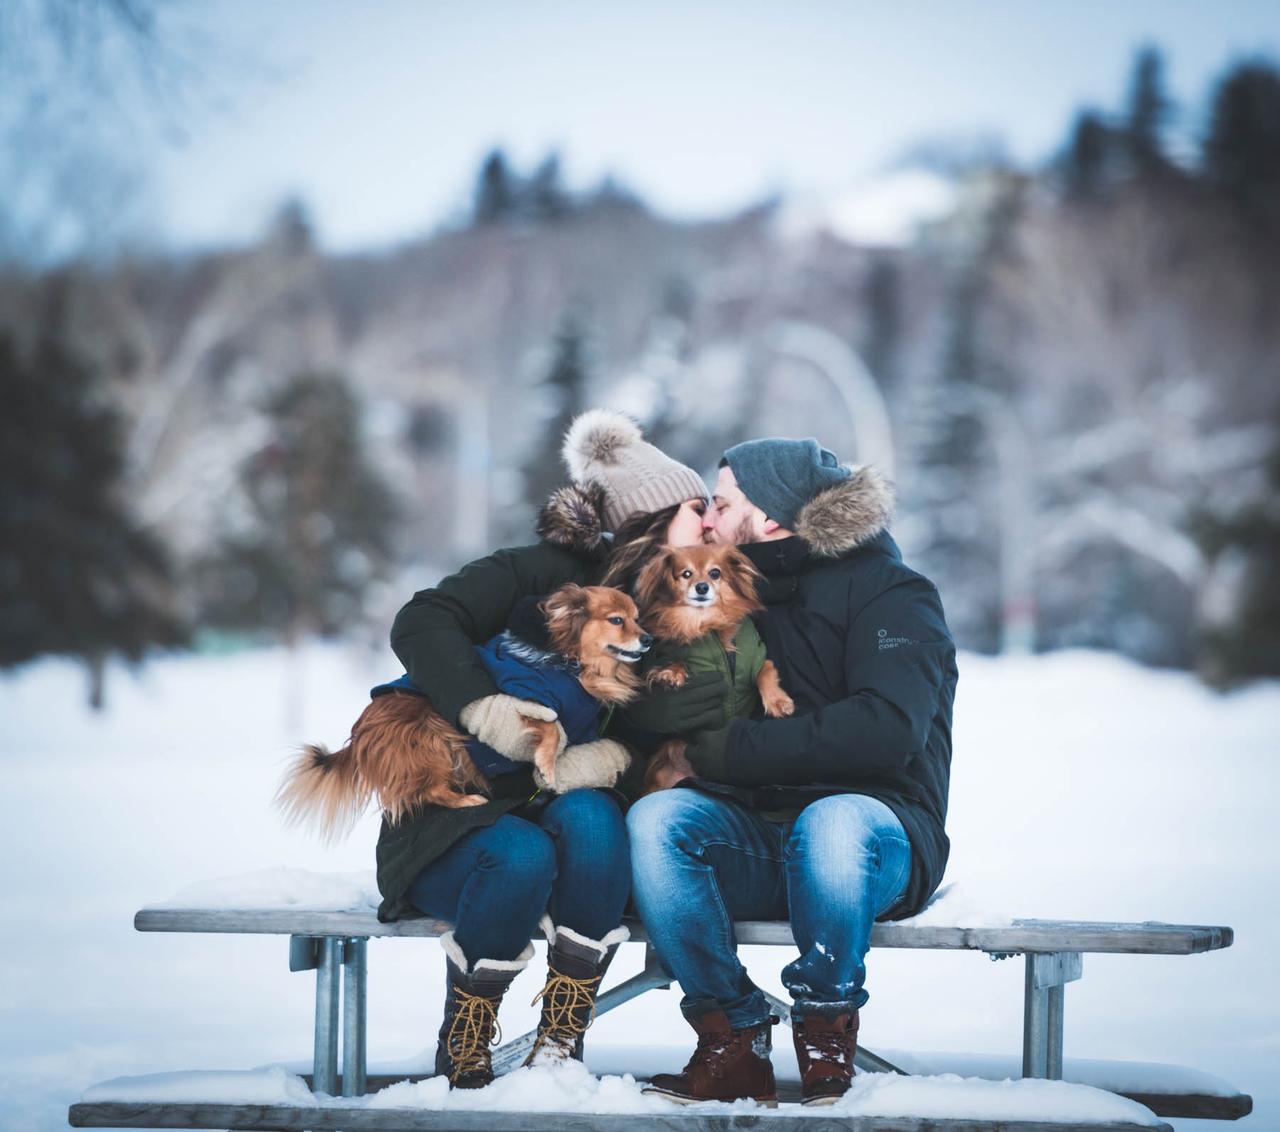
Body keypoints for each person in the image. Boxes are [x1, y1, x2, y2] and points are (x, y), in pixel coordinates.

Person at [378, 409, 723, 1088]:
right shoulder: (540, 574)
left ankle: (563, 1034)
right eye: (696, 509)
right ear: (647, 523)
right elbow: (422, 619)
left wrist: (613, 760)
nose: (710, 522)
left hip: (565, 798)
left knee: (595, 823)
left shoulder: (680, 607)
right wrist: (485, 707)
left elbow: (663, 727)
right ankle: (468, 1027)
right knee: (519, 855)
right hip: (456, 804)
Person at [627, 437, 957, 1107]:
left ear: (772, 517)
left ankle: (825, 1026)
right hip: (757, 836)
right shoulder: (727, 597)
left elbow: (888, 728)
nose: (710, 519)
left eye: (721, 504)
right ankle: (732, 1032)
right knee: (658, 820)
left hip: (874, 841)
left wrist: (732, 751)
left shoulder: (893, 595)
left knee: (830, 821)